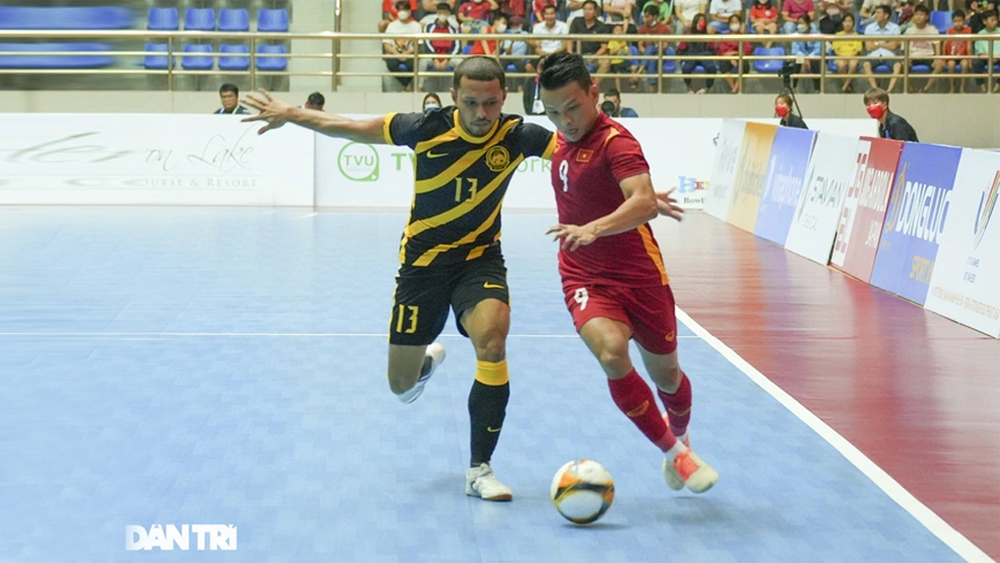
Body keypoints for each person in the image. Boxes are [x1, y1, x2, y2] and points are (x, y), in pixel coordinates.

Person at [240, 57, 558, 502]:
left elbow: (581, 156)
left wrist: (632, 188)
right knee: (400, 385)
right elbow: (352, 127)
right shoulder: (425, 127)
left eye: (490, 103)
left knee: (492, 336)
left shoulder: (519, 135)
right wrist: (293, 114)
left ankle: (479, 468)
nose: (481, 114)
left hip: (479, 260)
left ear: (504, 97)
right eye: (471, 103)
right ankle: (424, 364)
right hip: (422, 267)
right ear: (454, 97)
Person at [538, 52, 720, 494]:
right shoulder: (559, 138)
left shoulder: (616, 141)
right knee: (611, 353)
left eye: (573, 108)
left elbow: (641, 203)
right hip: (583, 276)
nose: (565, 121)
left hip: (640, 277)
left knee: (668, 378)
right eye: (552, 113)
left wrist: (595, 226)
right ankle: (676, 455)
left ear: (594, 93)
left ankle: (682, 436)